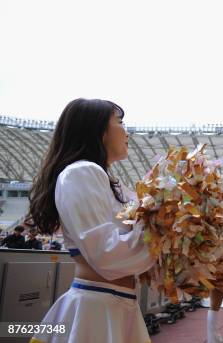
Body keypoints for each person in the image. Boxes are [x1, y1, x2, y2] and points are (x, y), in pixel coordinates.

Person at [27, 99, 155, 343]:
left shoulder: (111, 182)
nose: (127, 131)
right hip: (96, 307)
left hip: (116, 304)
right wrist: (161, 231)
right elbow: (106, 254)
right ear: (97, 129)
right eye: (120, 122)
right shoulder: (82, 171)